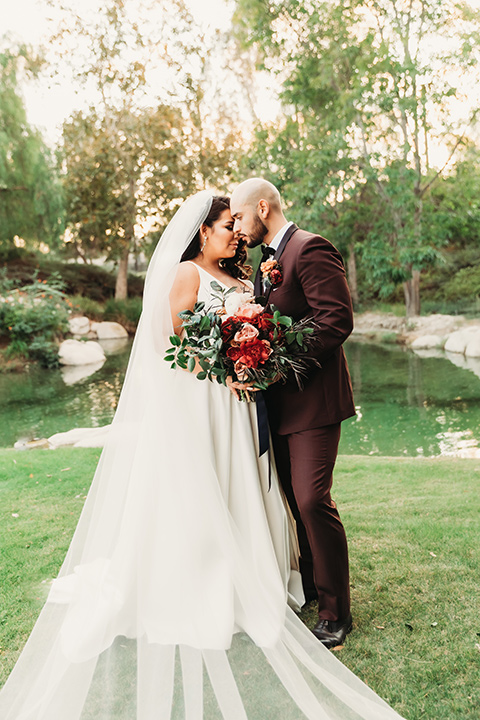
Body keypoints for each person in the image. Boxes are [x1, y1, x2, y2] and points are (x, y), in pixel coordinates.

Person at [0, 191, 404, 719]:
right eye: (224, 224)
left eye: (236, 222)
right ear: (202, 232)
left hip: (245, 405)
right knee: (209, 492)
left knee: (259, 490)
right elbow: (177, 345)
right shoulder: (188, 274)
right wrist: (223, 371)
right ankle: (208, 583)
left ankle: (275, 581)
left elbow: (283, 328)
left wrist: (252, 362)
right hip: (211, 404)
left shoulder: (249, 279)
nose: (233, 232)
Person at [230, 178, 356, 649]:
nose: (238, 228)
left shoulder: (310, 248)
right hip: (279, 406)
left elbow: (336, 319)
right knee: (294, 504)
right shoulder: (267, 263)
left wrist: (275, 356)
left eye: (240, 217)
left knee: (311, 501)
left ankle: (336, 615)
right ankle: (316, 592)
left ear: (263, 207)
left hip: (315, 404)